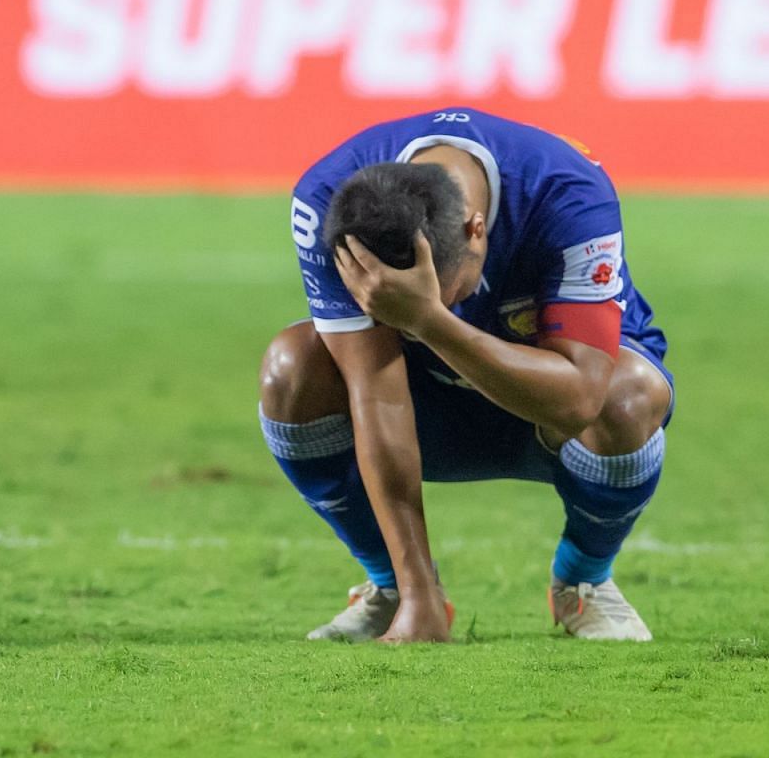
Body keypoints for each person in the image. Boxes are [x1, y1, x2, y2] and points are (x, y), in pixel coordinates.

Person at [259, 108, 672, 643]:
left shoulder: (568, 190)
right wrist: (417, 598)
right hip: (418, 407)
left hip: (552, 413)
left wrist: (430, 321)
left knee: (629, 396)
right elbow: (376, 395)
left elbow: (579, 401)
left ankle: (584, 581)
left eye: (448, 294)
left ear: (477, 230)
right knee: (291, 368)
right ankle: (392, 590)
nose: (404, 324)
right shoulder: (332, 202)